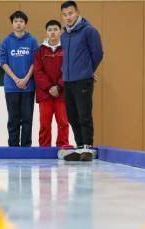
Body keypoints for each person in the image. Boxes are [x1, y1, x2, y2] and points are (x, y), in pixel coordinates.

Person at [60, 0, 103, 161]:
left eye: (70, 13)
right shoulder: (64, 35)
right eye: (64, 15)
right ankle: (79, 147)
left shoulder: (89, 31)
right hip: (68, 81)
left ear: (77, 12)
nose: (68, 17)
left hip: (83, 79)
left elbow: (98, 53)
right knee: (72, 115)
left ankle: (88, 147)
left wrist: (87, 71)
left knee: (84, 114)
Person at [0, 10, 39, 147]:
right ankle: (13, 147)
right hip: (11, 87)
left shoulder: (32, 41)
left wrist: (26, 79)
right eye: (16, 21)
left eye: (21, 21)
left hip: (28, 87)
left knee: (27, 119)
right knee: (13, 119)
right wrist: (16, 79)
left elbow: (36, 62)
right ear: (12, 23)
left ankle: (26, 147)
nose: (18, 24)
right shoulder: (6, 41)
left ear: (25, 23)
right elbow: (3, 62)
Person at [34, 19, 70, 148]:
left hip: (62, 92)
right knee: (44, 123)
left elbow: (68, 68)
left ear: (60, 31)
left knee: (63, 122)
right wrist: (49, 87)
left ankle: (63, 146)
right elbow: (37, 72)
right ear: (46, 32)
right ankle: (44, 149)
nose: (52, 32)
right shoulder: (39, 51)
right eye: (50, 30)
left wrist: (59, 87)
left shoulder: (67, 49)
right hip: (45, 94)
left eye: (55, 29)